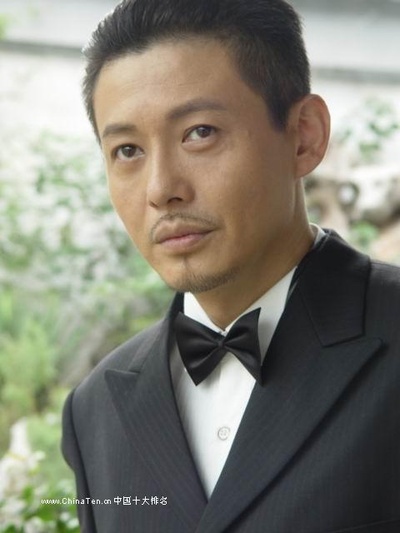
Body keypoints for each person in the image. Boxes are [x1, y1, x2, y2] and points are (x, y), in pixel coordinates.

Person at [61, 0, 400, 531]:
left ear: (305, 136)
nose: (161, 190)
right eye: (127, 150)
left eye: (200, 132)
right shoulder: (93, 410)